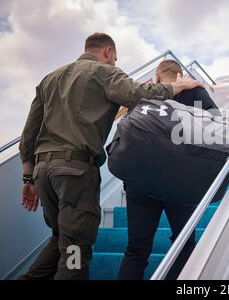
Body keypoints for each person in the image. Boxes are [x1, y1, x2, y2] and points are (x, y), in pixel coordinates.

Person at [18, 33, 202, 280]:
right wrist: (177, 86)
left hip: (43, 175)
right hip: (74, 175)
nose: (115, 63)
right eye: (115, 58)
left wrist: (28, 180)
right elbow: (138, 93)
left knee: (61, 237)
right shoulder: (104, 72)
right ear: (107, 51)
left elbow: (27, 138)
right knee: (75, 252)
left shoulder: (50, 79)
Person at [117, 60, 218, 280]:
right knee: (183, 244)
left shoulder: (145, 95)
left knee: (136, 250)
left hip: (140, 183)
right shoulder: (195, 92)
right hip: (180, 182)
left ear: (157, 76)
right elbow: (216, 125)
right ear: (180, 75)